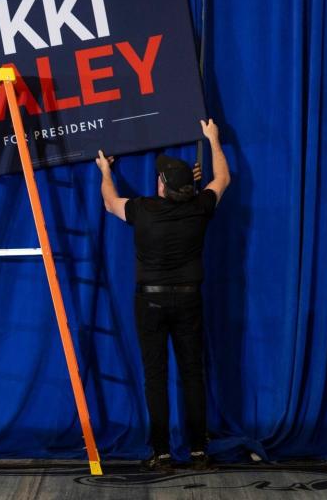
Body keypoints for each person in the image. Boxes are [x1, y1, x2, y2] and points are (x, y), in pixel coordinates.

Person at [95, 118, 231, 471]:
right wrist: (213, 139)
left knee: (155, 376)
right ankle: (199, 451)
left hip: (150, 301)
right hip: (189, 300)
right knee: (192, 373)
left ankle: (161, 452)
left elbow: (110, 202)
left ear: (162, 187)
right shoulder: (199, 208)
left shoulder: (143, 210)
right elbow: (223, 179)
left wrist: (105, 171)